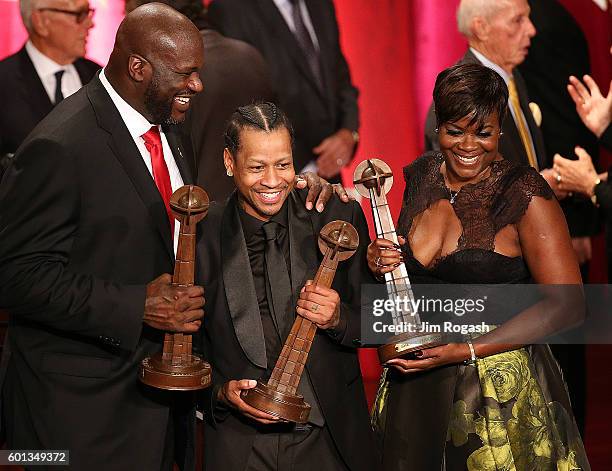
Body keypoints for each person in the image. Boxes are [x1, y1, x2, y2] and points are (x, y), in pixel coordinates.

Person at [0, 5, 207, 470]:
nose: (197, 86)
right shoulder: (59, 145)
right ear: (138, 68)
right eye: (186, 73)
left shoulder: (172, 128)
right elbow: (14, 274)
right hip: (75, 418)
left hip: (157, 407)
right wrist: (137, 306)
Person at [371, 63, 589, 470]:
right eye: (455, 131)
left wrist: (465, 350)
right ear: (437, 127)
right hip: (415, 388)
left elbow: (569, 305)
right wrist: (381, 260)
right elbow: (413, 278)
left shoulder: (523, 193)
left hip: (493, 396)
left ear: (500, 129)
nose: (469, 145)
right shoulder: (422, 176)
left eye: (483, 132)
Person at [196, 102, 378, 471]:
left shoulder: (336, 214)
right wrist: (219, 392)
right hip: (239, 448)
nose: (272, 181)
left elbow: (386, 319)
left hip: (328, 441)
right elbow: (188, 345)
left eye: (283, 165)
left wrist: (339, 318)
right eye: (257, 167)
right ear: (230, 163)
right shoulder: (201, 232)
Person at [124, 0, 275, 201]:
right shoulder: (251, 56)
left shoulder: (163, 75)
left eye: (132, 17)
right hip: (251, 209)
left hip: (191, 214)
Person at [207, 0, 360, 182]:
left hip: (328, 176)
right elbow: (240, 104)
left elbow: (340, 77)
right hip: (274, 181)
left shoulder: (321, 4)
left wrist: (348, 132)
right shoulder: (230, 9)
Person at [424, 0, 546, 172]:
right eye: (518, 20)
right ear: (481, 28)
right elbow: (461, 187)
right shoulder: (460, 93)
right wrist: (534, 191)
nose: (531, 30)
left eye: (528, 17)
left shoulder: (512, 75)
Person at [0, 0, 99, 175]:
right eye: (79, 14)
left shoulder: (98, 76)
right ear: (41, 22)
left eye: (89, 13)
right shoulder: (4, 83)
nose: (90, 24)